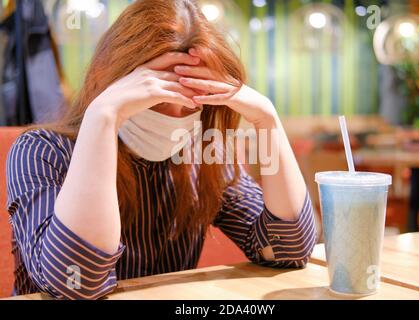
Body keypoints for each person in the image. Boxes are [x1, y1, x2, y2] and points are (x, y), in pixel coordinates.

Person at [6, 0, 316, 300]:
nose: (175, 113)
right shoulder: (42, 152)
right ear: (116, 83)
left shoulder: (203, 156)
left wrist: (267, 119)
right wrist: (102, 115)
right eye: (156, 94)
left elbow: (287, 252)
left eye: (192, 96)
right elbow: (76, 283)